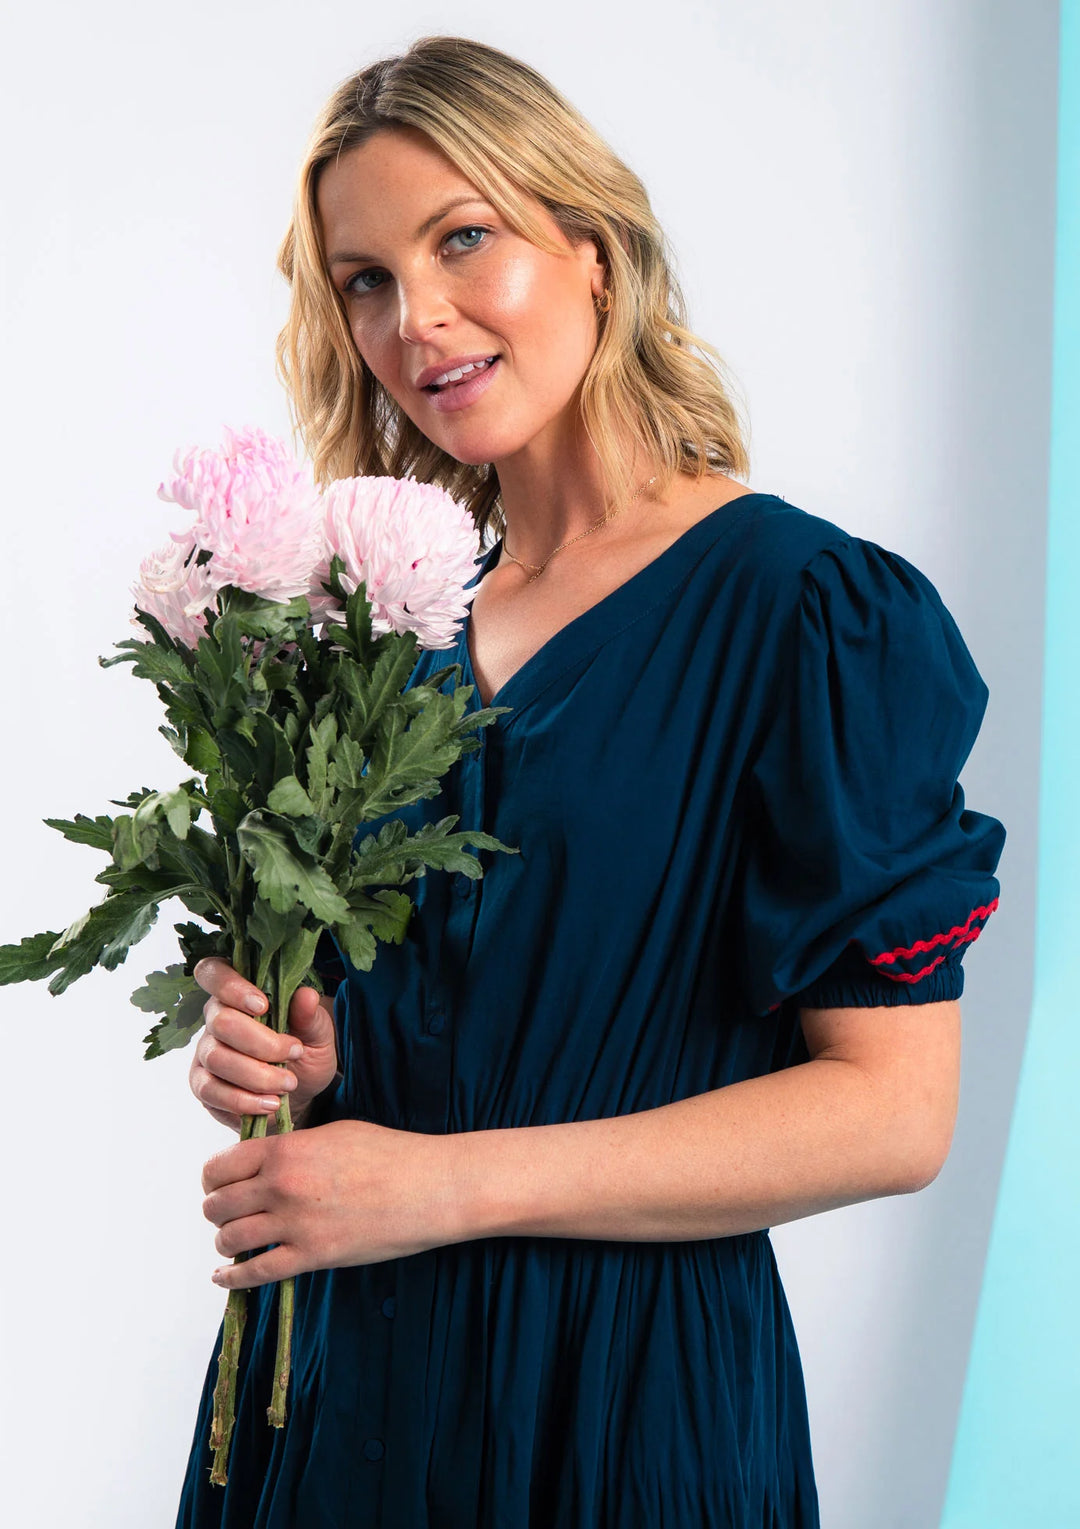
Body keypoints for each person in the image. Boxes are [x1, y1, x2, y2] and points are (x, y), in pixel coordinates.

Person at [175, 34, 1006, 1529]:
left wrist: (440, 1185)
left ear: (595, 248)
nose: (414, 318)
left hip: (630, 1411)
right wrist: (303, 1058)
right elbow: (431, 1034)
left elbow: (895, 1111)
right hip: (343, 1401)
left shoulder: (804, 611)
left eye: (463, 238)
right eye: (364, 278)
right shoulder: (384, 632)